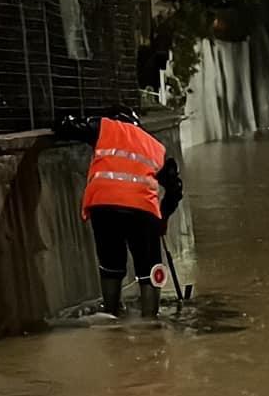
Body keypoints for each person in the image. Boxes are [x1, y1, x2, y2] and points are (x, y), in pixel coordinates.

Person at [57, 106, 184, 317]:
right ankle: (151, 322)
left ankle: (111, 315)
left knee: (110, 265)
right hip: (144, 211)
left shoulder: (103, 127)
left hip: (104, 207)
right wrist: (163, 217)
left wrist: (61, 120)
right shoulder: (155, 146)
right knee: (149, 269)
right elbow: (174, 189)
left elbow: (67, 126)